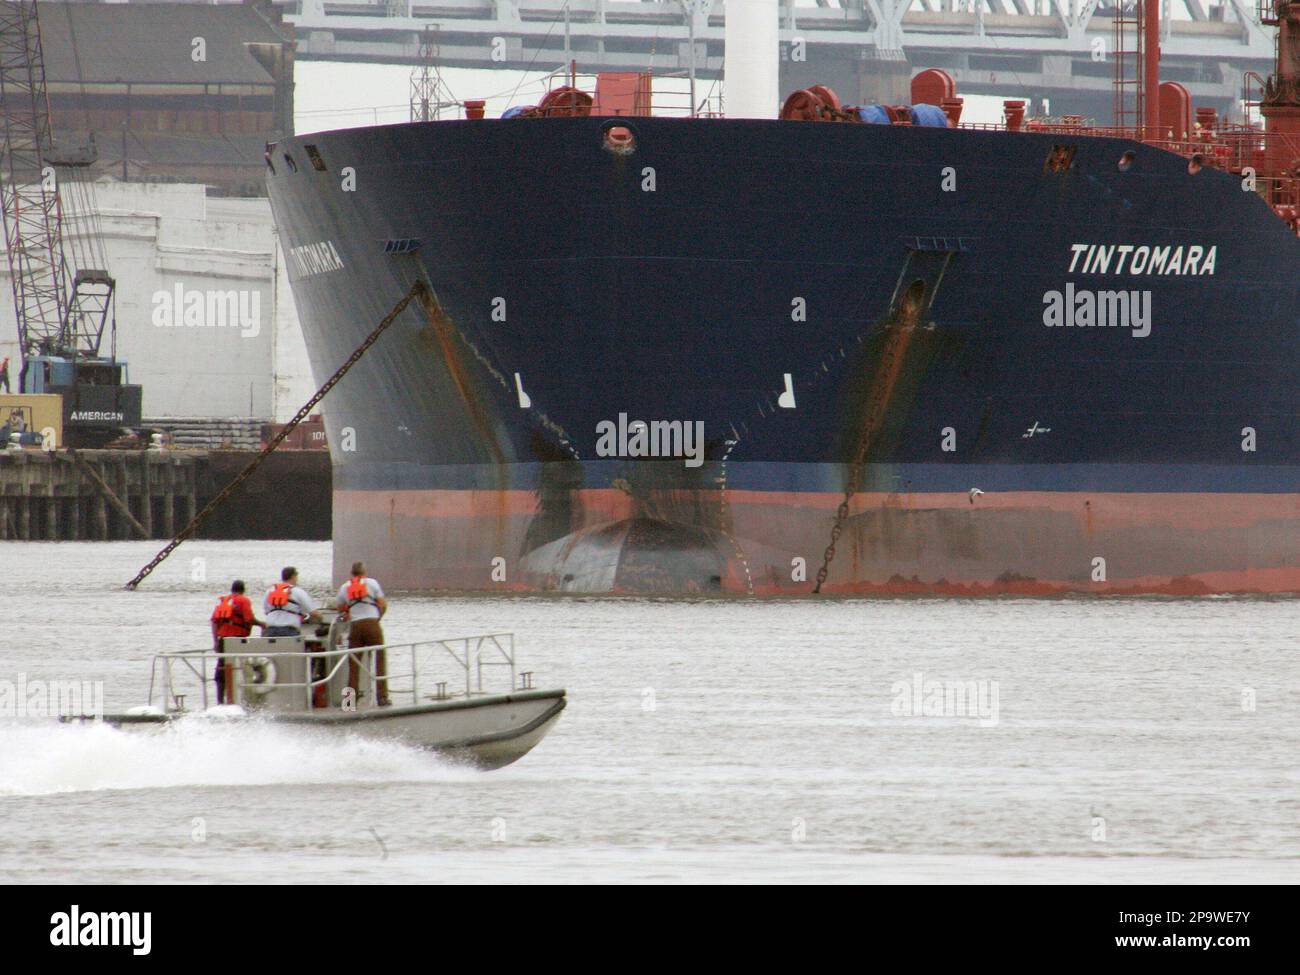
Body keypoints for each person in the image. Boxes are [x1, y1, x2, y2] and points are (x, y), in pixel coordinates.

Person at [336, 561, 390, 706]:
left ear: (352, 573)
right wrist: (378, 618)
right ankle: (382, 697)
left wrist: (349, 613)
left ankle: (349, 701)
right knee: (380, 659)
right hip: (372, 624)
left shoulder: (344, 587)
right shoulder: (372, 583)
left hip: (355, 626)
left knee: (353, 663)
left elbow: (340, 608)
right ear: (364, 572)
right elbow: (383, 604)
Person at [210, 580, 263, 704]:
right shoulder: (243, 600)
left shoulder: (224, 601)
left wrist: (215, 642)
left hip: (223, 640)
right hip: (238, 639)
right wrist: (261, 624)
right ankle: (243, 699)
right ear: (243, 590)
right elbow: (249, 618)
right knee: (242, 669)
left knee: (221, 668)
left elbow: (214, 622)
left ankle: (220, 701)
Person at [264, 566, 318, 637]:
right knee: (291, 648)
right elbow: (313, 613)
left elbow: (266, 611)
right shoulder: (298, 591)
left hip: (270, 628)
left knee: (272, 648)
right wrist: (322, 618)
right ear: (293, 576)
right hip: (289, 630)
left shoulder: (269, 591)